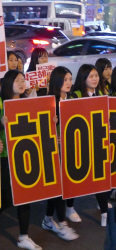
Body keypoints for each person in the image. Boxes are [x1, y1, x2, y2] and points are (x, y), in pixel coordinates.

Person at [0, 69, 43, 250]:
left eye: (23, 80)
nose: (22, 83)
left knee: (26, 196)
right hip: (5, 158)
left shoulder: (27, 103)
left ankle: (23, 236)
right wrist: (0, 124)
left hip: (24, 156)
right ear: (8, 83)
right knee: (5, 199)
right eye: (17, 80)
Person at [66, 64, 110, 226]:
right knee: (76, 177)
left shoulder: (101, 94)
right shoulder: (75, 96)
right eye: (91, 76)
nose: (95, 79)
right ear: (83, 79)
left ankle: (104, 212)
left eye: (96, 76)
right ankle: (69, 207)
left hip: (97, 142)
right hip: (79, 144)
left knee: (100, 177)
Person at [42, 66, 79, 241]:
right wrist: (52, 130)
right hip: (53, 152)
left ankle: (48, 219)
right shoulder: (49, 101)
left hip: (69, 150)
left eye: (70, 79)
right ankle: (62, 223)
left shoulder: (72, 98)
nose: (69, 83)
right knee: (58, 188)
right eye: (65, 80)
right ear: (57, 81)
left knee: (61, 187)